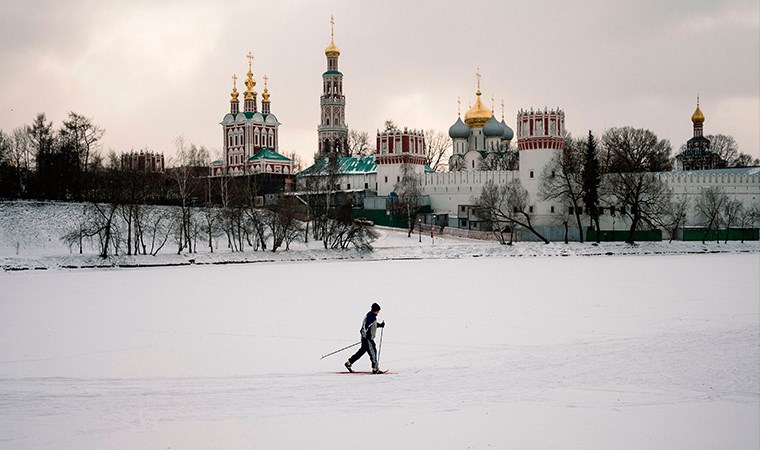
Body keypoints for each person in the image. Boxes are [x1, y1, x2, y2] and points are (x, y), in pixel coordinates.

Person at [345, 302, 385, 374]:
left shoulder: (370, 315)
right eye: (378, 311)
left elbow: (373, 325)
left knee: (362, 351)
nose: (378, 312)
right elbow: (364, 327)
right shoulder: (371, 317)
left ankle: (349, 363)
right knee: (373, 351)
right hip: (368, 338)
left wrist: (380, 325)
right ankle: (375, 368)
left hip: (366, 338)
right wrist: (365, 336)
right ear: (375, 310)